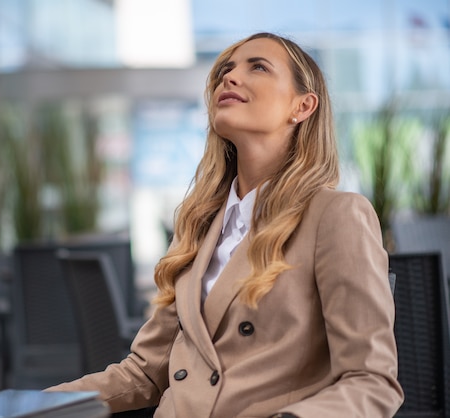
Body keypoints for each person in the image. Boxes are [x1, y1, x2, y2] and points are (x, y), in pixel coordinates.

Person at [46, 32, 404, 417]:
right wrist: (31, 404)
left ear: (302, 106)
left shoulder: (335, 215)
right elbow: (144, 374)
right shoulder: (198, 224)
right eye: (225, 71)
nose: (229, 78)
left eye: (259, 67)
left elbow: (371, 381)